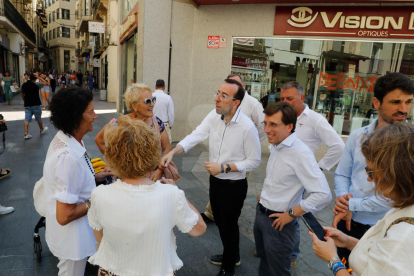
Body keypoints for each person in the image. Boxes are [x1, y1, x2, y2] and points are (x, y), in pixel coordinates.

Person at [162, 79, 261, 276]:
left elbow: (254, 161)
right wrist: (173, 152)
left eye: (224, 96)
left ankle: (229, 267)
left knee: (229, 225)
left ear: (236, 103)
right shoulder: (214, 116)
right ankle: (231, 255)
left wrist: (224, 167)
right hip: (215, 181)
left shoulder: (247, 127)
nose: (217, 98)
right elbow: (197, 134)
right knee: (222, 224)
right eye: (218, 93)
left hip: (234, 184)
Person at [87, 116, 206, 275]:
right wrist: (179, 194)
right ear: (152, 153)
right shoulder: (169, 194)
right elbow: (199, 229)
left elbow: (100, 237)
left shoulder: (99, 194)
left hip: (113, 270)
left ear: (112, 156)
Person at [310, 122, 414, 276]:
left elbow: (390, 253)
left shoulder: (403, 237)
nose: (370, 180)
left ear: (394, 174)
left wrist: (333, 260)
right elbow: (379, 256)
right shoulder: (404, 206)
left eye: (371, 172)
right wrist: (348, 241)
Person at [333, 72, 414, 266]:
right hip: (348, 222)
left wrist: (351, 206)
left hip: (386, 225)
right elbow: (342, 174)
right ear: (376, 103)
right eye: (396, 102)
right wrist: (344, 201)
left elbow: (397, 195)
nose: (404, 109)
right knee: (347, 267)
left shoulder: (410, 143)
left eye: (409, 102)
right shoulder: (357, 136)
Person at [254, 102, 332, 276]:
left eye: (273, 124)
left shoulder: (300, 153)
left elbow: (323, 195)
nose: (267, 130)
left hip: (279, 223)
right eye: (265, 123)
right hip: (261, 215)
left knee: (278, 271)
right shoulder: (276, 144)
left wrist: (292, 214)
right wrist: (266, 193)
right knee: (265, 266)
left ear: (289, 126)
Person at [44, 87, 113, 276]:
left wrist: (96, 176)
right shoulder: (68, 158)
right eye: (90, 112)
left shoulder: (67, 138)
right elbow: (65, 215)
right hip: (73, 238)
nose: (96, 116)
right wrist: (98, 199)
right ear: (75, 118)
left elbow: (73, 178)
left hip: (73, 233)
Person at [201, 73, 266, 224]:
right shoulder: (219, 110)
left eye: (234, 84)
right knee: (218, 187)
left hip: (241, 158)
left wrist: (252, 143)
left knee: (233, 192)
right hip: (221, 158)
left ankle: (231, 217)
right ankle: (213, 213)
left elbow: (262, 127)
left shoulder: (252, 104)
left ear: (242, 87)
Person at [95, 83, 172, 181]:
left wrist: (160, 170)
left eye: (153, 100)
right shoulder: (119, 123)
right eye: (148, 101)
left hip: (153, 178)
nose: (152, 104)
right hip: (126, 177)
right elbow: (99, 140)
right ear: (134, 105)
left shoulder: (157, 122)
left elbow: (167, 148)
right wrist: (115, 162)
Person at [280, 81, 345, 171]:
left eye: (289, 98)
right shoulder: (281, 116)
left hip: (300, 175)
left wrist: (319, 167)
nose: (285, 102)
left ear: (301, 98)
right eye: (282, 99)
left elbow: (339, 147)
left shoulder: (316, 119)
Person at [20, 74, 48, 140]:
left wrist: (24, 100)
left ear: (29, 77)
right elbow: (46, 83)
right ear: (35, 79)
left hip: (27, 104)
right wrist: (39, 77)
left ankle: (26, 134)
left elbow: (21, 93)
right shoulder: (37, 84)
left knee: (26, 119)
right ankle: (41, 129)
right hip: (35, 104)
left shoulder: (24, 85)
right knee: (38, 118)